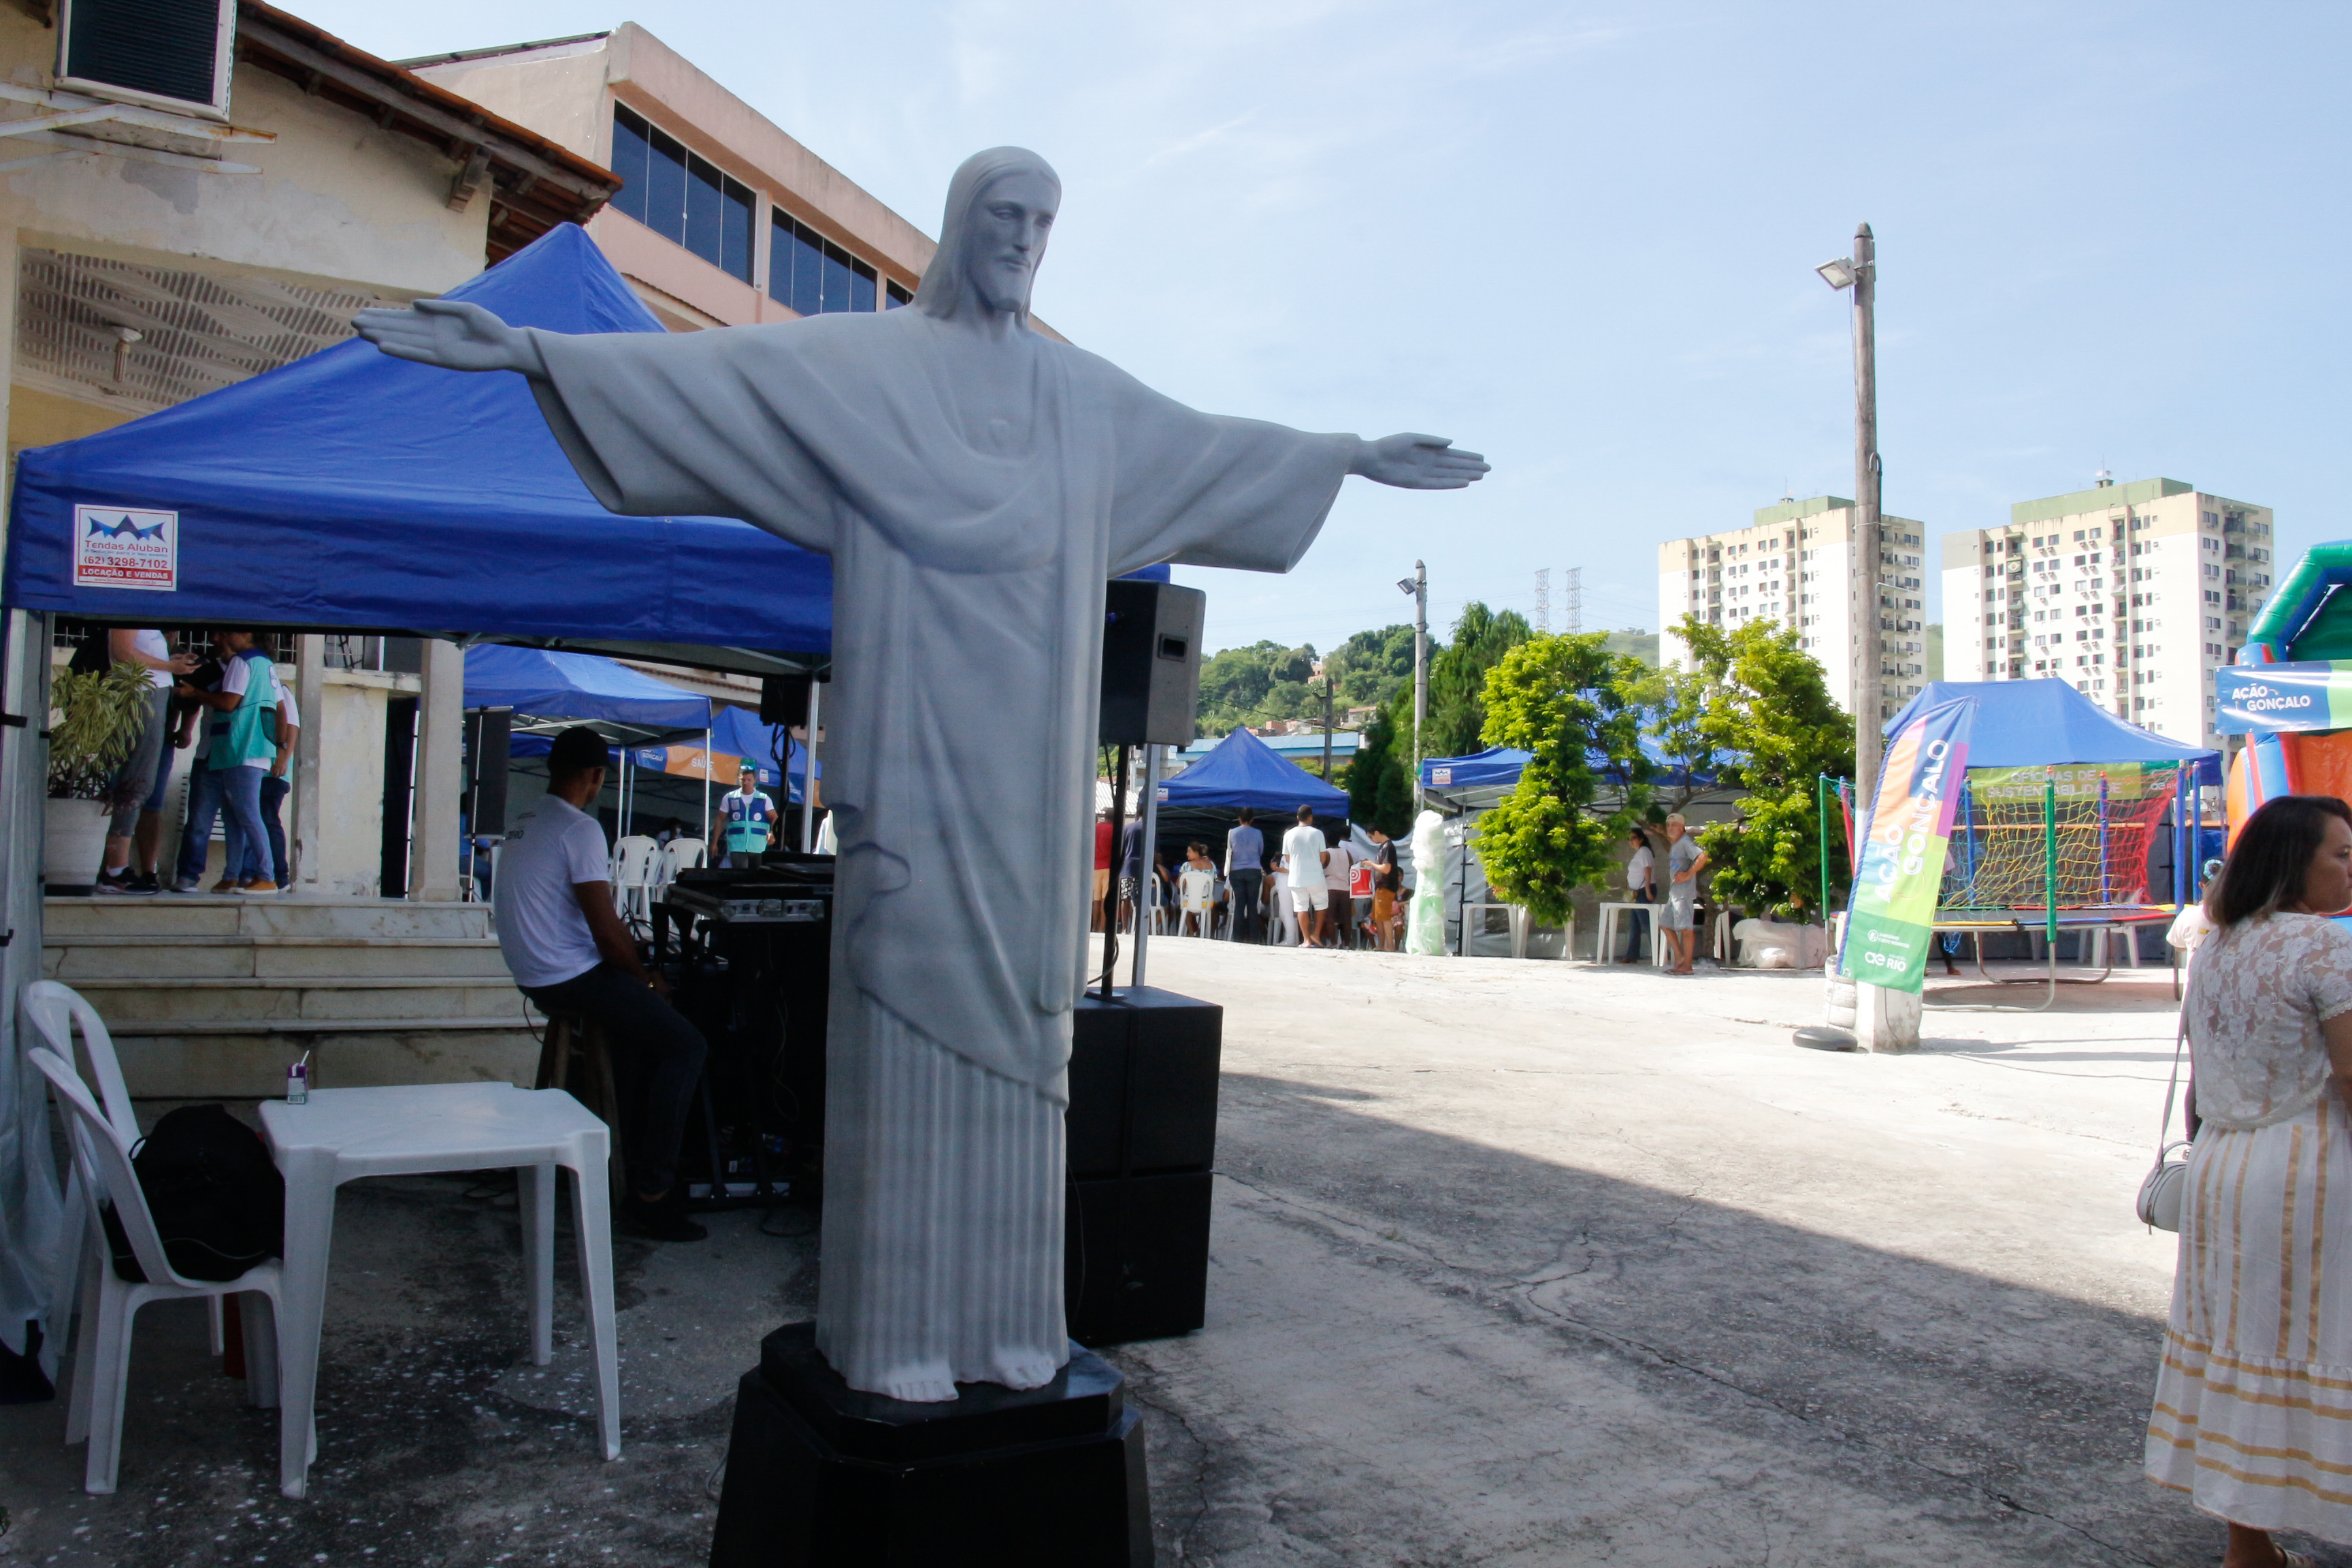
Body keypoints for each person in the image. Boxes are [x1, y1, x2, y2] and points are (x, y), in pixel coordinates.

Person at [2145, 794, 2352, 1567]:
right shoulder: (2326, 948)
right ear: (2294, 861)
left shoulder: (2218, 946)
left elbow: (2201, 1080)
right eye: (2340, 853)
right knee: (2326, 1339)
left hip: (2224, 1167)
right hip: (2311, 1170)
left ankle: (2248, 1546)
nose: (2350, 867)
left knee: (2238, 1345)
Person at [498, 727, 711, 1242]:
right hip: (567, 976)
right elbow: (606, 931)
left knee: (637, 1038)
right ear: (597, 777)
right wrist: (646, 979)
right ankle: (652, 1194)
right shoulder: (580, 829)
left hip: (534, 974)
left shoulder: (528, 819)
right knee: (687, 1045)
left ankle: (619, 1157)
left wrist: (630, 969)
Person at [171, 630, 281, 895]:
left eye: (227, 632)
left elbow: (228, 702)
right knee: (235, 817)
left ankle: (267, 876)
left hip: (239, 747)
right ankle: (231, 875)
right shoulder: (265, 664)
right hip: (252, 747)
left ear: (246, 634)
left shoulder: (241, 662)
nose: (220, 637)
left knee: (248, 815)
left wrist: (194, 693)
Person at [93, 630, 196, 895]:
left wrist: (175, 662)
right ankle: (115, 870)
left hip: (151, 697)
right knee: (133, 784)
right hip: (139, 697)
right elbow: (123, 653)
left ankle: (118, 867)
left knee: (140, 786)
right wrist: (171, 666)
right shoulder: (131, 606)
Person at [1661, 813, 1707, 975]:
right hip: (1675, 892)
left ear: (1682, 827)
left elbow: (1702, 856)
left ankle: (1687, 966)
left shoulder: (1685, 842)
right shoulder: (1676, 844)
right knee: (1665, 924)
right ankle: (1680, 958)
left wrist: (1688, 874)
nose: (1671, 828)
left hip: (1683, 893)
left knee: (1686, 929)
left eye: (1674, 825)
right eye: (1669, 825)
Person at [1282, 804, 1329, 949]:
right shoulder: (1318, 833)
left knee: (1301, 907)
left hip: (1296, 876)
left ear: (1297, 818)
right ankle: (1315, 934)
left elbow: (1288, 858)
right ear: (1311, 818)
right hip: (1315, 875)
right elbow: (1323, 857)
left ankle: (1306, 940)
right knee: (1321, 906)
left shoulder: (1288, 834)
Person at [719, 762, 777, 868]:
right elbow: (719, 819)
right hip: (737, 846)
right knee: (741, 875)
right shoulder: (730, 797)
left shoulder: (764, 798)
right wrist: (714, 843)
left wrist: (772, 832)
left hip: (758, 846)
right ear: (739, 779)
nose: (746, 783)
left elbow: (775, 818)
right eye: (743, 780)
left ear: (754, 780)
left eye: (749, 780)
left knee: (756, 876)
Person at [1225, 808, 1265, 944]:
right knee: (1252, 905)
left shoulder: (1232, 832)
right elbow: (1261, 851)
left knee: (1239, 905)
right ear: (1252, 819)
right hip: (1253, 870)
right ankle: (1254, 938)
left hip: (1236, 871)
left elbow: (1230, 851)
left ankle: (1237, 937)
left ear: (1239, 818)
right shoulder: (1258, 833)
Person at [1620, 828, 1654, 962]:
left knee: (1646, 924)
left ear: (1641, 839)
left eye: (1634, 838)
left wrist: (1647, 890)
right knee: (1635, 925)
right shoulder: (1639, 853)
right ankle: (1632, 955)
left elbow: (1648, 871)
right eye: (1630, 839)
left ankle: (1662, 952)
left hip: (1642, 891)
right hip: (1636, 892)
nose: (1631, 841)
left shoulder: (1644, 851)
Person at [1365, 826, 1401, 951]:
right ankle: (1381, 945)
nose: (1371, 840)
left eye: (1371, 837)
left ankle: (1389, 946)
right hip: (1381, 887)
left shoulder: (1388, 847)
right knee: (1378, 917)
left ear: (1376, 833)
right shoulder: (1384, 847)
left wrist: (1371, 864)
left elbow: (1386, 869)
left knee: (1385, 917)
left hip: (1386, 886)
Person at [1323, 829, 1358, 949]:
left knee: (1330, 917)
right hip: (1345, 888)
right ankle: (1347, 943)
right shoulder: (1347, 853)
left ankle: (1333, 943)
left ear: (1326, 841)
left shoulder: (1326, 853)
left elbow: (1321, 868)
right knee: (1346, 919)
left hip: (1330, 888)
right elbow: (1352, 870)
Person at [1177, 843, 1217, 937]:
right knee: (1214, 910)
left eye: (1189, 852)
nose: (1187, 854)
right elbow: (1213, 883)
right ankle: (1209, 934)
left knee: (1185, 907)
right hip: (1206, 903)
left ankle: (1191, 932)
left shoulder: (1186, 866)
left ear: (1196, 853)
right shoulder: (1212, 866)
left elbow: (1179, 884)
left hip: (1188, 902)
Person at [1092, 808, 1114, 932]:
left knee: (1096, 899)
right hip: (1108, 866)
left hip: (1096, 867)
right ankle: (1102, 928)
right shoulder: (1113, 830)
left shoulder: (1096, 828)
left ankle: (1094, 927)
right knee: (1106, 899)